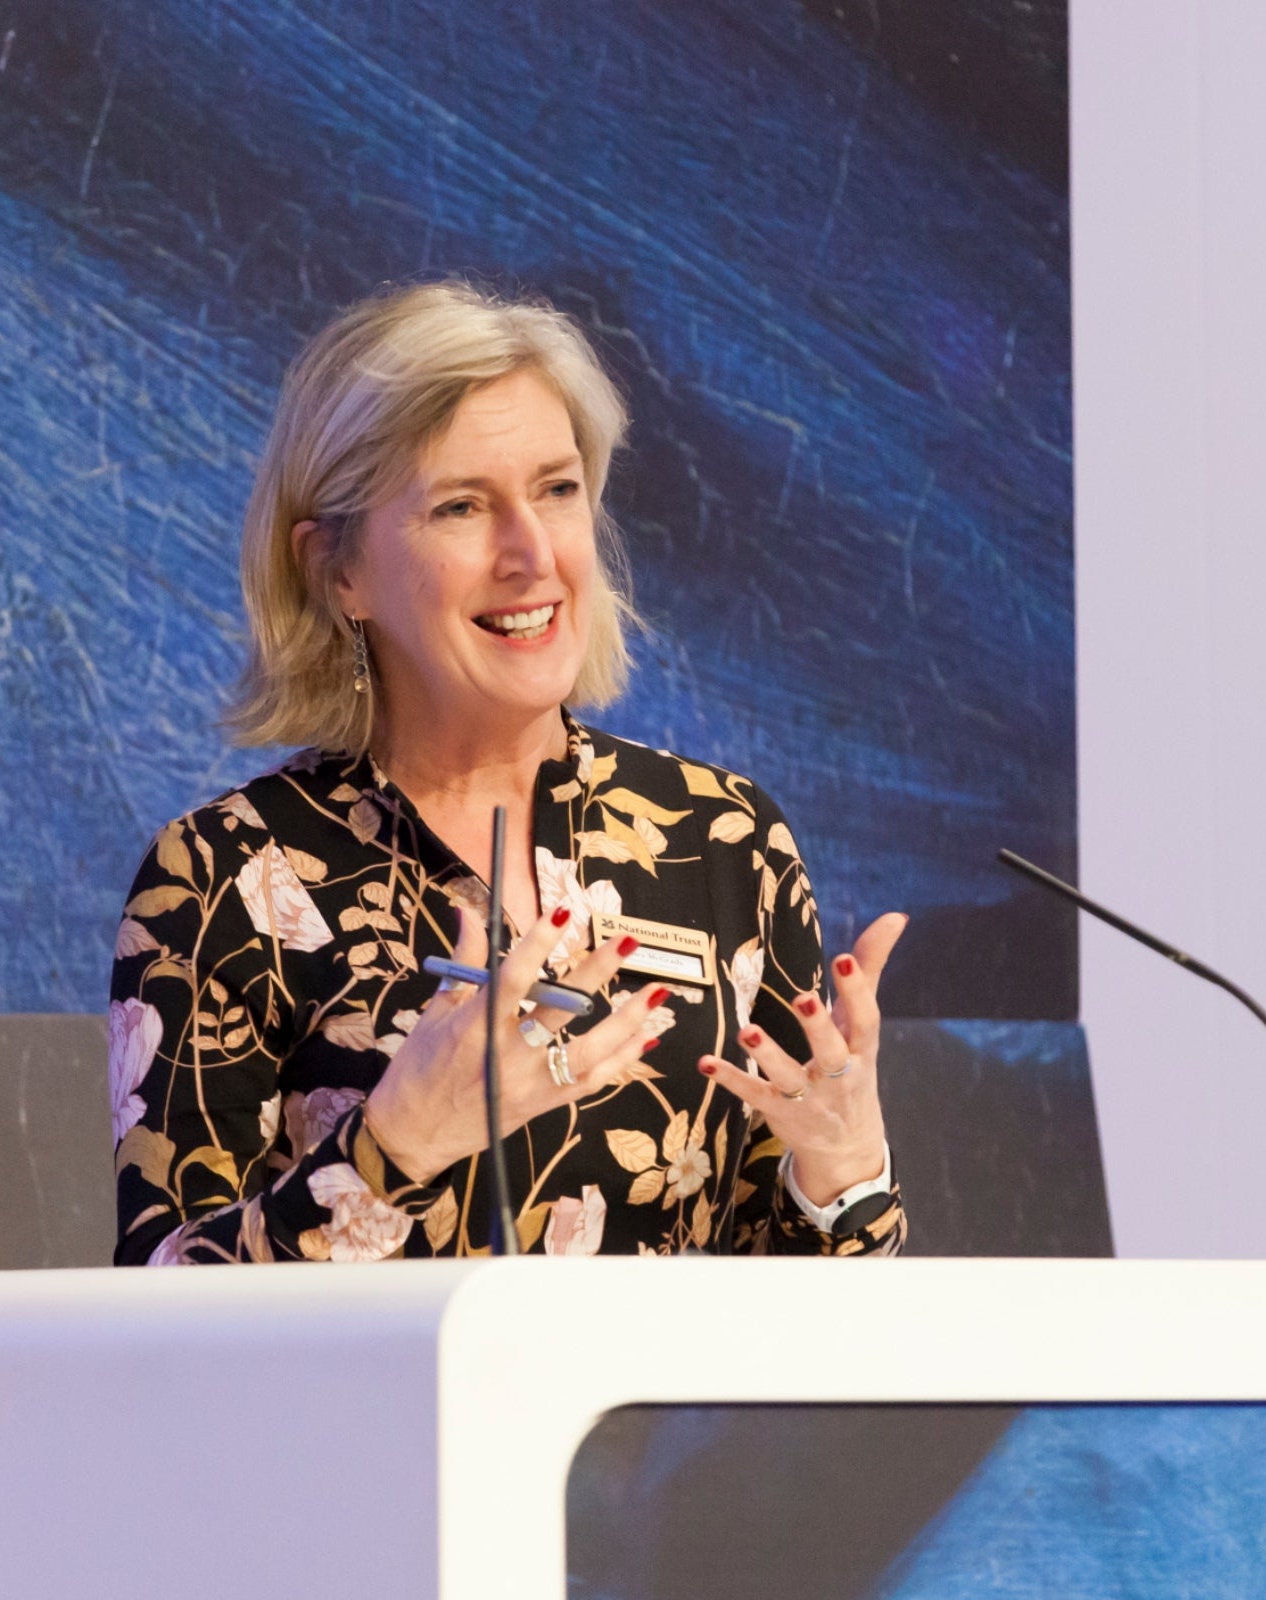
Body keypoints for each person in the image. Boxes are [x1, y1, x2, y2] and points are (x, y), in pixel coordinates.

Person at [108, 281, 907, 1264]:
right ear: (336, 572)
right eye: (460, 506)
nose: (531, 553)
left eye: (557, 489)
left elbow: (798, 1350)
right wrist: (395, 1146)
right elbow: (153, 1322)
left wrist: (839, 1177)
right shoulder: (223, 875)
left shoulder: (726, 842)